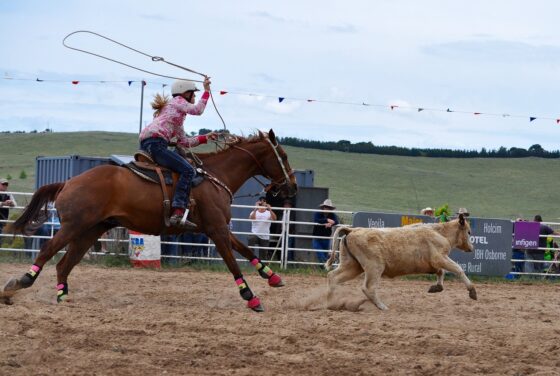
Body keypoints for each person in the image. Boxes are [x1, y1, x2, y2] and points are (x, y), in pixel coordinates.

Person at [139, 77, 217, 229]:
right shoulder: (178, 101)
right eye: (193, 94)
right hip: (157, 144)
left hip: (148, 143)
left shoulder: (175, 115)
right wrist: (207, 91)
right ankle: (178, 211)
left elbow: (184, 142)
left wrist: (205, 138)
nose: (194, 97)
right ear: (185, 93)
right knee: (188, 170)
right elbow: (198, 110)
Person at [312, 199, 339, 263]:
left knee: (324, 253)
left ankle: (323, 267)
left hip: (326, 237)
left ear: (330, 209)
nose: (327, 209)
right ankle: (326, 263)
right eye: (325, 207)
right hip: (317, 236)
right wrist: (327, 220)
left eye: (328, 208)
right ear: (323, 207)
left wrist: (331, 223)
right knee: (319, 251)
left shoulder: (332, 215)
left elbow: (336, 221)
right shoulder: (318, 213)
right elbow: (316, 220)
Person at [0, 178, 17, 244]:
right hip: (2, 219)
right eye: (3, 184)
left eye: (6, 184)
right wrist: (4, 203)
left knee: (1, 238)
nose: (5, 185)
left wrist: (11, 203)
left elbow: (15, 204)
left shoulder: (8, 194)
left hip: (3, 219)